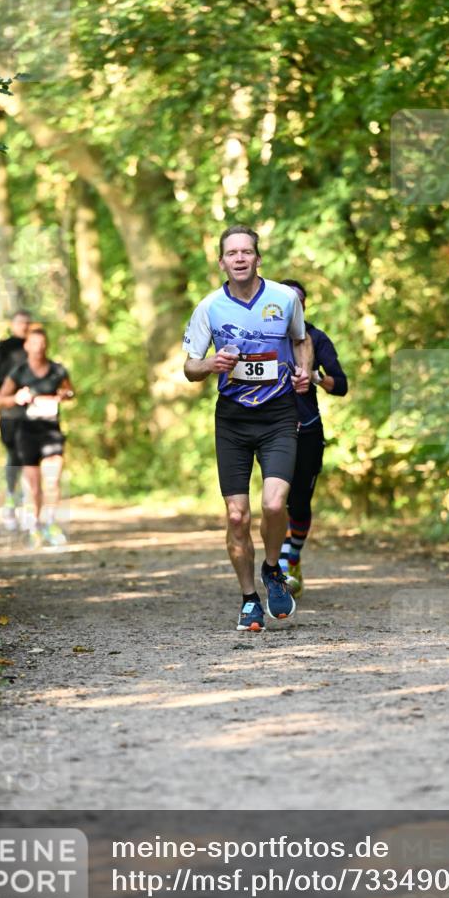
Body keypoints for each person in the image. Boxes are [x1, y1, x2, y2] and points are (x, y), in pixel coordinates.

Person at [183, 225, 312, 632]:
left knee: (275, 505)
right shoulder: (209, 307)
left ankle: (272, 570)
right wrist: (211, 364)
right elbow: (189, 366)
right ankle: (248, 599)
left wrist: (305, 369)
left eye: (247, 252)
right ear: (221, 262)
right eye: (231, 253)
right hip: (233, 420)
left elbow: (302, 339)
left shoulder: (285, 298)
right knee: (237, 516)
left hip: (277, 415)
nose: (239, 258)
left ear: (258, 258)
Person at [278, 279, 348, 598]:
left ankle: (292, 557)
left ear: (305, 305)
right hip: (272, 428)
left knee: (300, 503)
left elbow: (342, 385)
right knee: (275, 499)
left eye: (299, 299)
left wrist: (316, 377)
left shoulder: (316, 338)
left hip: (307, 428)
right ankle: (278, 565)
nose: (292, 304)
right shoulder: (263, 335)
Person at [0, 327, 75, 548]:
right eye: (34, 344)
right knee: (34, 486)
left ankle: (50, 523)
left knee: (53, 479)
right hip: (27, 432)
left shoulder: (58, 370)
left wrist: (64, 395)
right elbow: (0, 399)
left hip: (51, 431)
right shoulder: (19, 372)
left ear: (46, 346)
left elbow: (70, 392)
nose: (38, 348)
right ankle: (35, 526)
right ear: (27, 346)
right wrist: (16, 398)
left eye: (42, 344)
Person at [0, 309, 32, 530]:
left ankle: (31, 508)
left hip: (34, 410)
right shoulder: (4, 347)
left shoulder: (36, 345)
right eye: (21, 323)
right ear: (12, 325)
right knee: (15, 454)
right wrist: (11, 375)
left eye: (28, 323)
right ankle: (12, 500)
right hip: (10, 410)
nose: (25, 327)